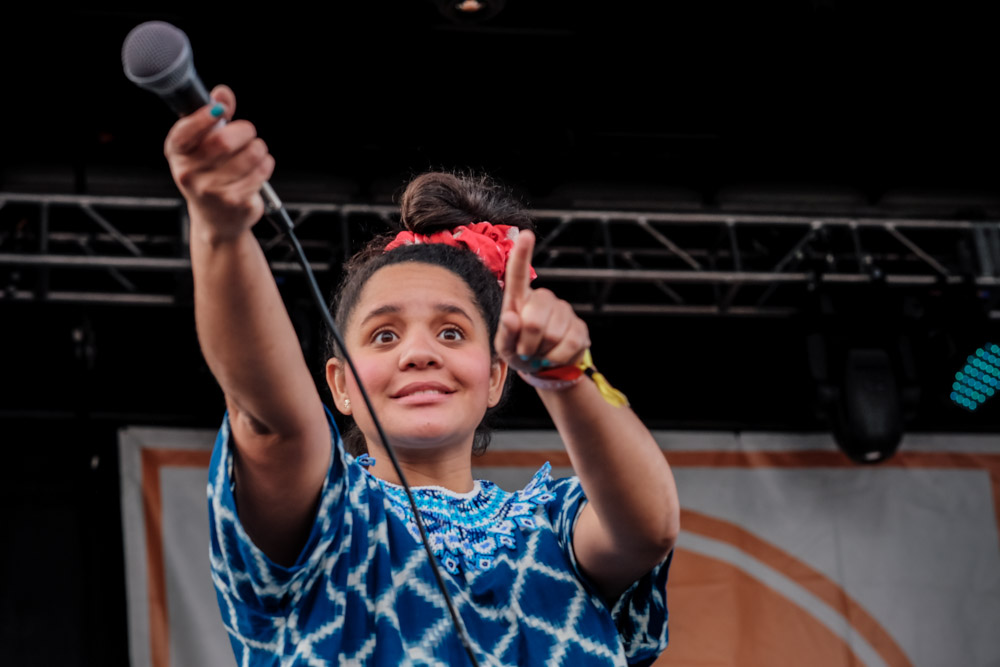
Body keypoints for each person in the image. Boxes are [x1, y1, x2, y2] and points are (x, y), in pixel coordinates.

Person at [164, 84, 680, 666]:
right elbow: (271, 421)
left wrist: (566, 375)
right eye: (385, 335)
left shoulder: (552, 528)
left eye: (452, 332)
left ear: (494, 378)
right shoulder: (330, 520)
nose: (419, 353)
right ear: (339, 385)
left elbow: (648, 527)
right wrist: (221, 230)